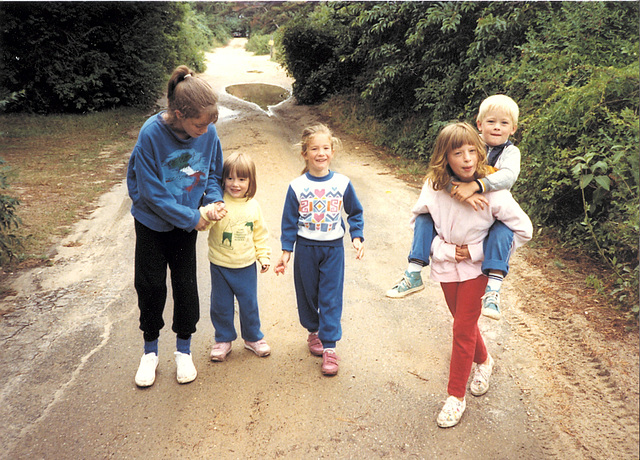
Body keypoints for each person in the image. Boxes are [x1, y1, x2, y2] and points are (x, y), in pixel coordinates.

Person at [411, 122, 532, 427]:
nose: (466, 159)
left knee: (462, 330)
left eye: (471, 152)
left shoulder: (495, 190)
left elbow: (524, 230)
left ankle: (455, 397)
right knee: (462, 323)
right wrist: (445, 250)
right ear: (445, 157)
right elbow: (419, 223)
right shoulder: (435, 186)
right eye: (457, 153)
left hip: (478, 270)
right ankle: (484, 360)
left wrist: (479, 253)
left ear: (480, 154)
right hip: (446, 266)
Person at [127, 65, 227, 388]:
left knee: (186, 286)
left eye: (210, 122)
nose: (206, 129)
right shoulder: (151, 135)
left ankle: (183, 350)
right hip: (152, 224)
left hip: (186, 226)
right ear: (179, 113)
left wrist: (212, 202)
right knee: (150, 284)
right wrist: (193, 218)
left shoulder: (208, 132)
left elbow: (213, 173)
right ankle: (150, 350)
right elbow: (151, 194)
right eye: (199, 123)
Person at [386, 95, 521, 321]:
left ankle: (494, 289)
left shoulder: (510, 152)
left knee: (502, 231)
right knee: (424, 217)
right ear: (479, 124)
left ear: (513, 128)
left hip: (491, 208)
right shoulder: (469, 141)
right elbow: (445, 170)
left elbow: (508, 177)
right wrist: (459, 192)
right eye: (491, 122)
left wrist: (476, 186)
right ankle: (414, 270)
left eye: (504, 123)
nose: (497, 127)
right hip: (461, 208)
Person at [274, 124, 364, 376]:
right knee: (308, 295)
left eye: (325, 148)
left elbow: (354, 212)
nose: (320, 153)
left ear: (332, 151)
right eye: (314, 148)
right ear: (305, 153)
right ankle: (313, 331)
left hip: (333, 249)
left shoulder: (343, 183)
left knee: (330, 297)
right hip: (305, 248)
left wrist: (357, 236)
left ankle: (330, 347)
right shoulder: (297, 186)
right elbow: (289, 221)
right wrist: (286, 250)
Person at [199, 152, 272, 362]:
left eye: (241, 179)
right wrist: (208, 213)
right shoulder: (219, 203)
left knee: (249, 304)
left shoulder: (253, 206)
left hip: (246, 266)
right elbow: (205, 225)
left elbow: (260, 234)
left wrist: (263, 256)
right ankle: (223, 339)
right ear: (223, 180)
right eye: (230, 178)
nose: (235, 184)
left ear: (251, 181)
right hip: (220, 265)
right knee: (220, 305)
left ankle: (253, 338)